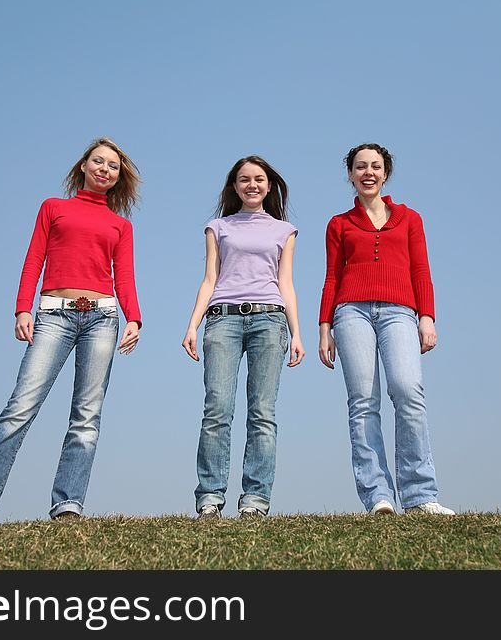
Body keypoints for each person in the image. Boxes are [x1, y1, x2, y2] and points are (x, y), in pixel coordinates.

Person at [0, 137, 142, 526]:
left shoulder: (121, 225)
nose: (104, 168)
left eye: (113, 166)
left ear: (118, 178)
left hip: (102, 318)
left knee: (86, 417)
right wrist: (22, 308)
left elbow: (125, 275)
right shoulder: (54, 208)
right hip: (53, 315)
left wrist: (134, 317)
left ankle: (68, 508)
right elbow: (34, 257)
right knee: (20, 407)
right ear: (83, 166)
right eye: (98, 161)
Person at [318, 143, 454, 516]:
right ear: (350, 174)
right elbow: (332, 277)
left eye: (375, 166)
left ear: (386, 172)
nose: (368, 172)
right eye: (360, 166)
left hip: (400, 312)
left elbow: (420, 270)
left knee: (408, 391)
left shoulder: (410, 218)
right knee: (363, 401)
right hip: (351, 312)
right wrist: (324, 326)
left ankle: (420, 494)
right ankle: (378, 495)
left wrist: (427, 316)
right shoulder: (339, 224)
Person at [182, 155, 303, 520]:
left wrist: (297, 333)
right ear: (234, 187)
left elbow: (286, 284)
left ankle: (255, 500)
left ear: (269, 185)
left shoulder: (285, 231)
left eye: (259, 179)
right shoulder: (218, 227)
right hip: (223, 321)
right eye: (244, 179)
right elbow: (209, 280)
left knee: (262, 413)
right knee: (217, 410)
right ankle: (210, 498)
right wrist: (193, 324)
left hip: (270, 321)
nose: (252, 185)